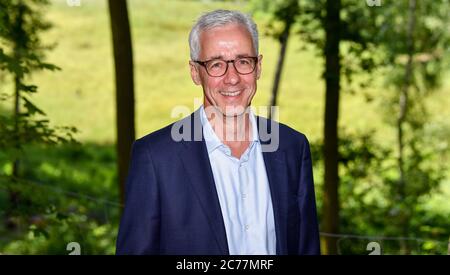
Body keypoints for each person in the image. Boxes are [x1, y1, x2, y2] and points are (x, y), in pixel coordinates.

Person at [116, 9, 320, 255]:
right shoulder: (155, 158)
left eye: (243, 61)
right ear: (195, 72)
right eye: (216, 64)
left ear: (258, 67)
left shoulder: (292, 147)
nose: (232, 78)